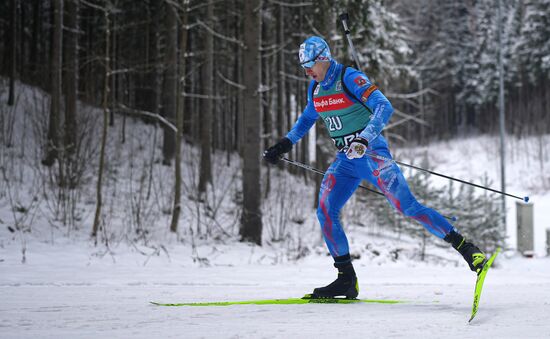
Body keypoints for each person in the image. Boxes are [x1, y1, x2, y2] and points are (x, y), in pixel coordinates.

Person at [263, 36, 487, 299]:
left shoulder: (348, 77)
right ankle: (346, 279)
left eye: (310, 64)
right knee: (325, 211)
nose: (307, 70)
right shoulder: (315, 88)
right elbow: (307, 119)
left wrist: (364, 138)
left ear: (324, 58)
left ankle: (467, 248)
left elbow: (384, 106)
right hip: (346, 160)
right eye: (303, 66)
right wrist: (284, 144)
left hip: (371, 154)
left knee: (407, 207)